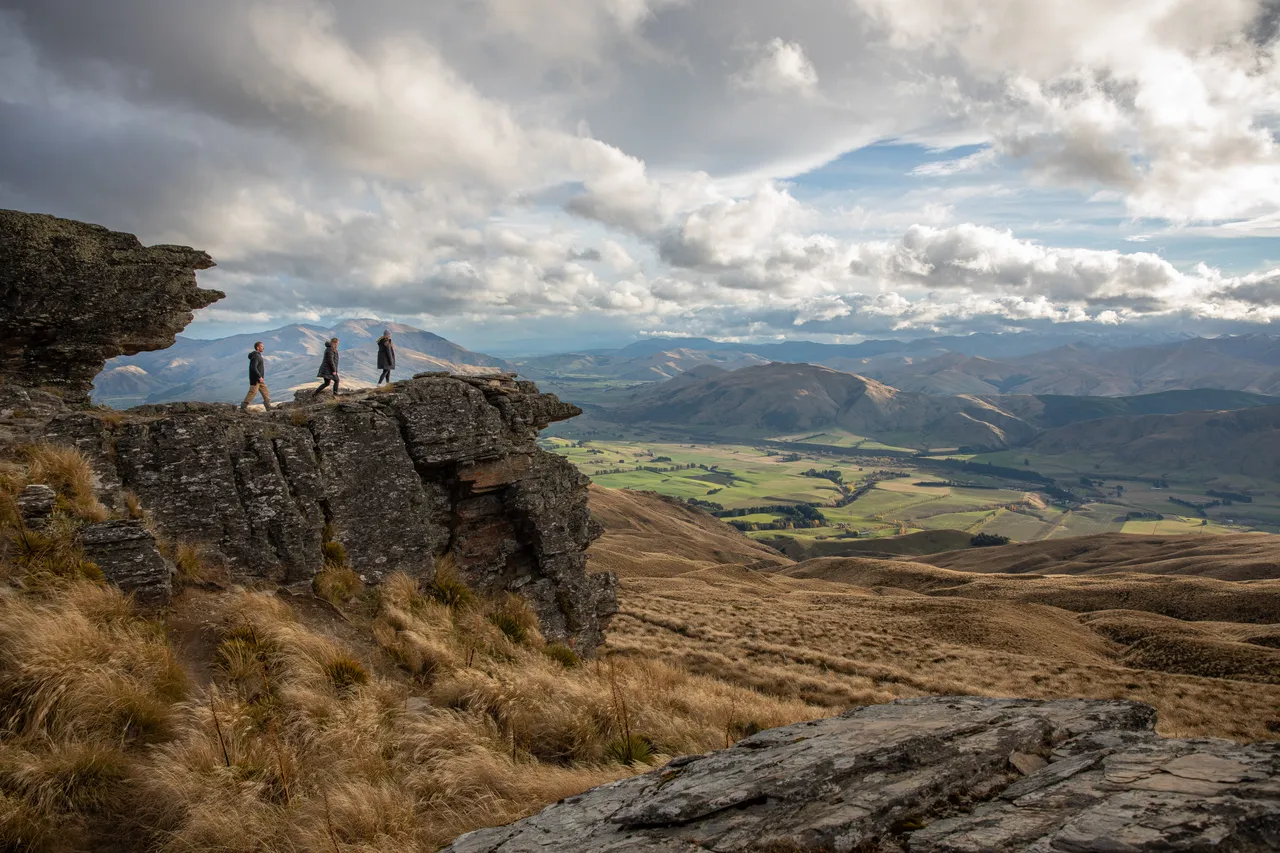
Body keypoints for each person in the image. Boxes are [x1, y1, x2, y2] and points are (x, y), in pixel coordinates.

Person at [241, 341, 272, 411]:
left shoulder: (257, 355)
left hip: (259, 380)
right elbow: (253, 367)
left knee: (265, 392)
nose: (263, 347)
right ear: (257, 347)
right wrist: (259, 376)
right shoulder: (256, 356)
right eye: (261, 346)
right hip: (256, 379)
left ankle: (268, 406)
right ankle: (243, 407)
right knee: (252, 392)